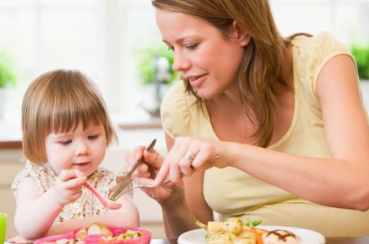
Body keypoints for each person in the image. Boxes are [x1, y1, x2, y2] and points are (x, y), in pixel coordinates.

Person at [126, 0, 369, 239]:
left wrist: (231, 154)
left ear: (240, 31)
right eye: (171, 48)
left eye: (191, 45)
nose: (178, 64)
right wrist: (172, 201)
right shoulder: (183, 107)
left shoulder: (320, 64)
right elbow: (198, 235)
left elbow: (360, 188)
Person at [11, 69, 139, 241]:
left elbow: (129, 220)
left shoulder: (108, 183)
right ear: (40, 145)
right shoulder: (35, 181)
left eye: (92, 137)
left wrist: (52, 233)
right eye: (66, 142)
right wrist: (55, 197)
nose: (82, 150)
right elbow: (26, 228)